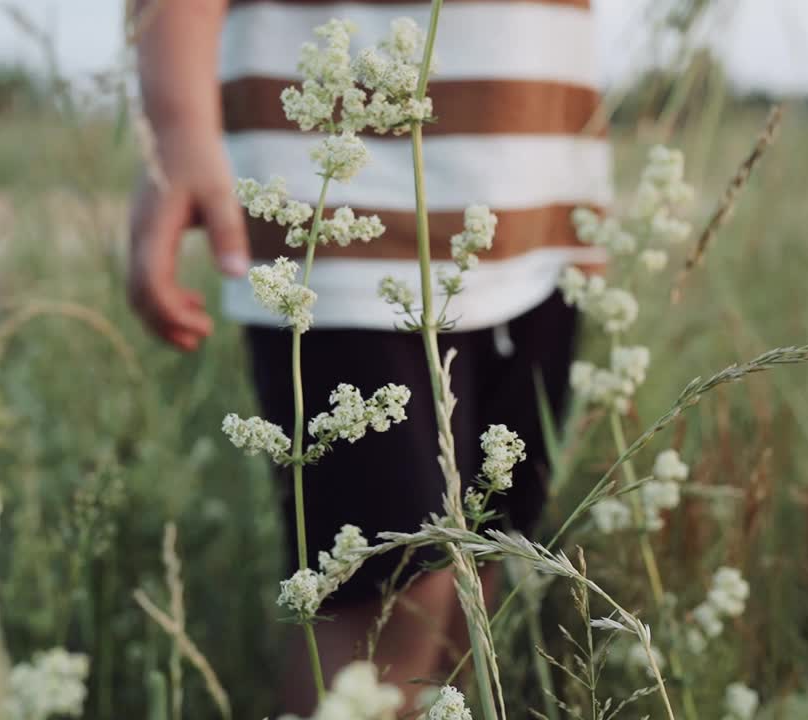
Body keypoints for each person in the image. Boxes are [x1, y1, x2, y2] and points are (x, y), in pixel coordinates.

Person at [128, 0, 610, 712]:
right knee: (391, 594)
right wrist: (179, 126)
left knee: (483, 566)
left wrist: (591, 240)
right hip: (337, 202)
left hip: (539, 198)